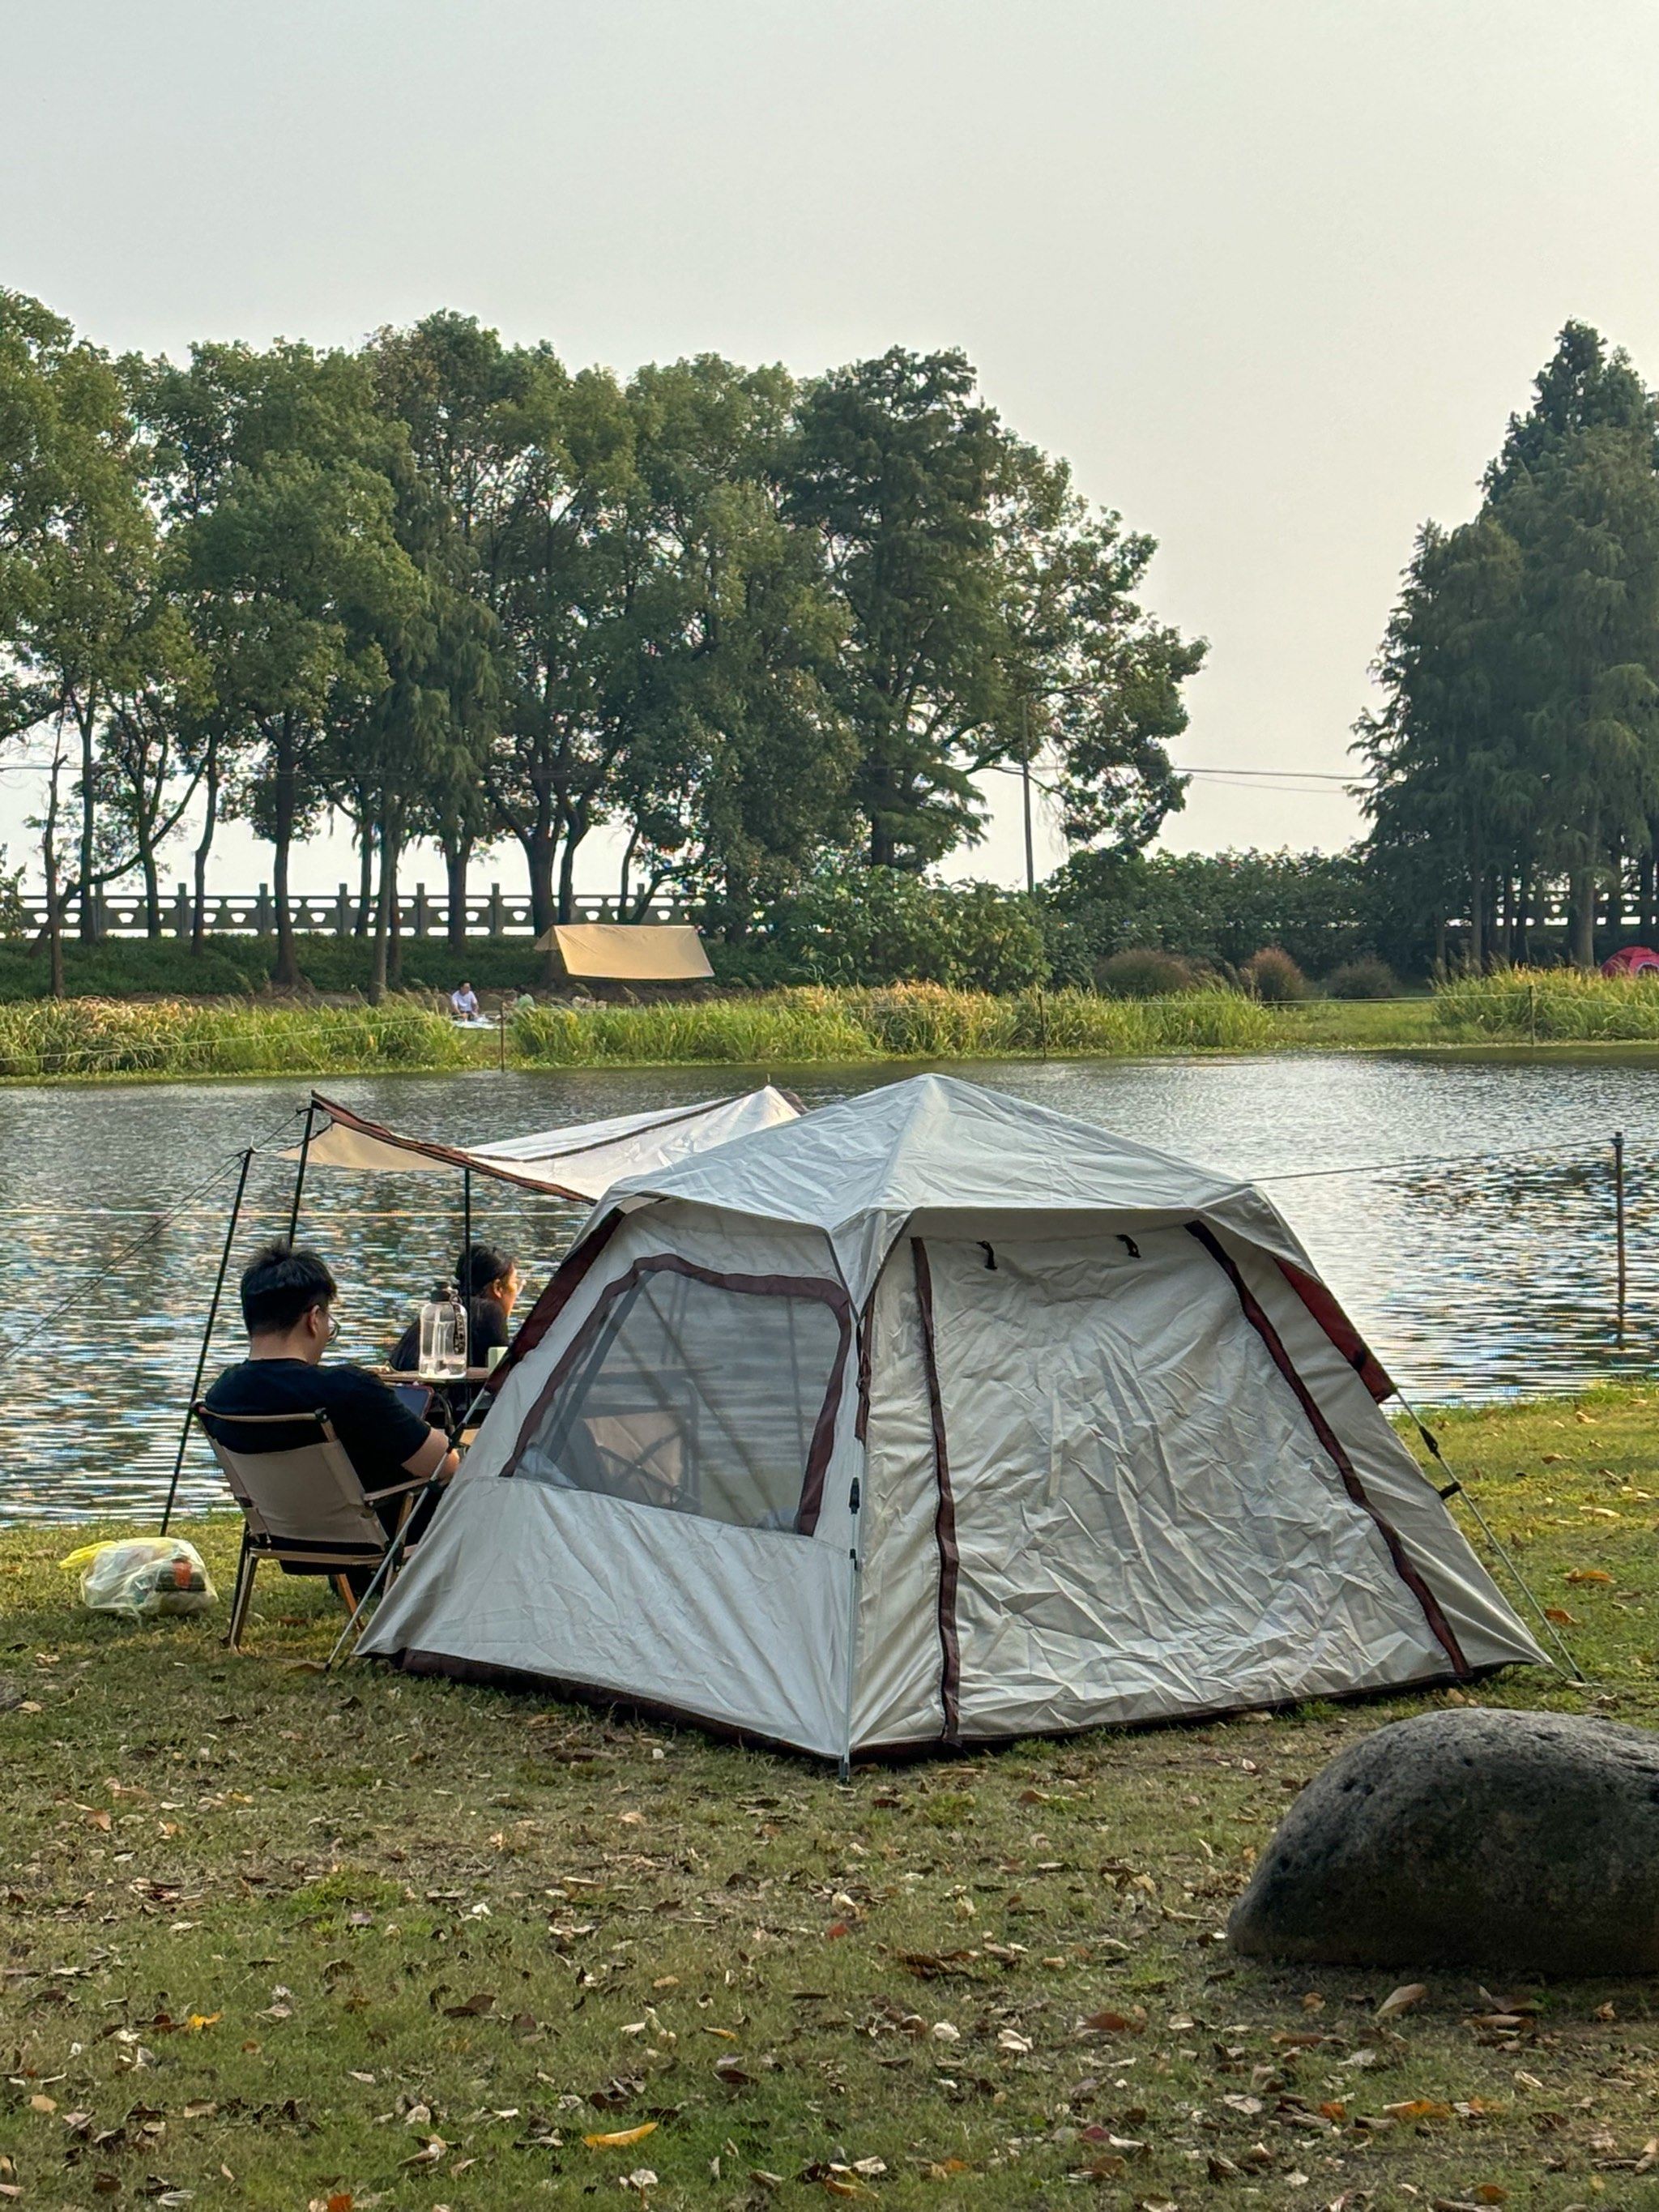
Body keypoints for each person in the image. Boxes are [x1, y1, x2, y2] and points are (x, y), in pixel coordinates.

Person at [202, 1242, 457, 1550]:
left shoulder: (219, 1397)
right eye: (327, 1323)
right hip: (375, 1540)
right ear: (313, 1318)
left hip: (281, 1539)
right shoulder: (348, 1388)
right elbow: (445, 1464)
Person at [390, 1241, 523, 1378]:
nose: (517, 1293)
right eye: (515, 1283)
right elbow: (503, 1377)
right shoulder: (489, 1311)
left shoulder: (438, 1309)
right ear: (498, 1288)